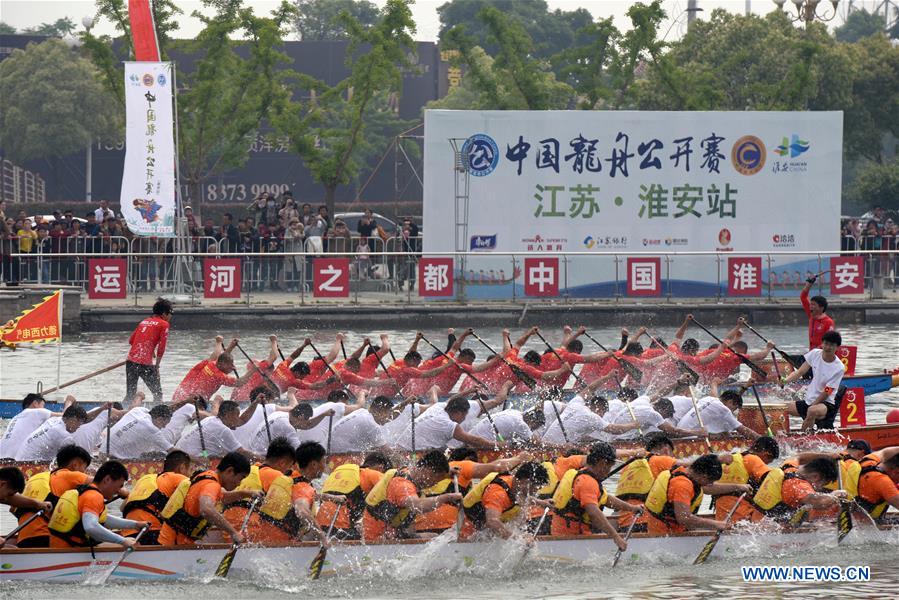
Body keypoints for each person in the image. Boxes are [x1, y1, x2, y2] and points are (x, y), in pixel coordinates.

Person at [550, 443, 641, 550]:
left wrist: (632, 508)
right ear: (603, 463)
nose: (609, 471)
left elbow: (606, 499)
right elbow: (593, 513)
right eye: (610, 467)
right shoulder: (588, 482)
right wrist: (616, 537)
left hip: (561, 535)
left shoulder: (578, 473)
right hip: (572, 539)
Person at [158, 451, 258, 546]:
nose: (239, 483)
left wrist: (247, 494)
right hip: (174, 545)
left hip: (173, 541)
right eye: (241, 478)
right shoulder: (211, 484)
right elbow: (206, 509)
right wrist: (233, 532)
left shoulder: (209, 477)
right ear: (230, 471)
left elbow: (224, 497)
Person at [48, 460, 151, 549]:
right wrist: (122, 541)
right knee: (134, 544)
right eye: (119, 486)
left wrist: (135, 525)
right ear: (107, 480)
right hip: (69, 551)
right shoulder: (94, 496)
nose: (118, 491)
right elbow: (91, 527)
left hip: (60, 547)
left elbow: (103, 519)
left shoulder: (85, 491)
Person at [363, 450, 462, 542]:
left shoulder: (411, 471)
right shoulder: (402, 485)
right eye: (435, 479)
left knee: (435, 537)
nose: (434, 484)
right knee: (435, 539)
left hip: (393, 531)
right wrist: (446, 497)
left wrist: (448, 473)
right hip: (378, 539)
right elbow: (418, 506)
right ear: (427, 470)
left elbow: (436, 474)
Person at [644, 454, 750, 535]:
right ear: (703, 476)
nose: (711, 484)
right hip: (665, 535)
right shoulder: (682, 485)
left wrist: (738, 486)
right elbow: (684, 518)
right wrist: (716, 524)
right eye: (710, 481)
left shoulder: (685, 472)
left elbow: (709, 488)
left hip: (671, 529)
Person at [11, 445, 92, 548]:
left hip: (23, 538)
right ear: (75, 465)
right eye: (84, 468)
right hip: (45, 538)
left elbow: (13, 509)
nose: (84, 472)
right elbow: (101, 483)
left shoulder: (38, 478)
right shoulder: (71, 475)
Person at [223, 438, 300, 545]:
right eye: (289, 466)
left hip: (227, 526)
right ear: (282, 463)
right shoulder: (276, 476)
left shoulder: (250, 469)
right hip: (247, 528)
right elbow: (294, 504)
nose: (289, 470)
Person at [461, 462, 549, 540]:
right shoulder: (498, 493)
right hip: (471, 530)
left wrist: (542, 503)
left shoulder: (516, 484)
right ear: (525, 481)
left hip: (489, 521)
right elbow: (492, 522)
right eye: (535, 487)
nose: (535, 491)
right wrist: (518, 540)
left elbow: (521, 498)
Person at [121, 450, 192, 544]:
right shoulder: (179, 478)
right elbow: (198, 491)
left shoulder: (145, 479)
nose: (190, 474)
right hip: (151, 533)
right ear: (182, 467)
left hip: (127, 534)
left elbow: (122, 508)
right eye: (190, 470)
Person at [316, 452, 392, 540]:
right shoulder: (372, 473)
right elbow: (393, 491)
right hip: (339, 526)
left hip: (319, 526)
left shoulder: (344, 473)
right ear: (381, 468)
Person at [614, 433, 680, 531]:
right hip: (648, 522)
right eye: (672, 454)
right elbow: (691, 469)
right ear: (666, 449)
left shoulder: (629, 466)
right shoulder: (662, 460)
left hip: (624, 523)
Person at [746, 457, 842, 524]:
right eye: (823, 484)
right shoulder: (799, 485)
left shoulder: (788, 467)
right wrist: (835, 495)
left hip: (757, 521)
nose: (821, 488)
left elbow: (799, 456)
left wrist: (827, 456)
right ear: (816, 476)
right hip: (771, 531)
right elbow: (818, 502)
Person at [783, 331, 846, 431]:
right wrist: (785, 381)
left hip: (826, 404)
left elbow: (828, 391)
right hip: (810, 400)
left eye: (831, 345)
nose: (828, 347)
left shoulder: (839, 367)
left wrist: (812, 405)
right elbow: (799, 372)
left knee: (812, 411)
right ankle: (783, 433)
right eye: (826, 344)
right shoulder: (815, 353)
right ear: (822, 344)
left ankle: (804, 436)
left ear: (837, 347)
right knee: (781, 409)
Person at [15, 402, 116, 461]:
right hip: (29, 465)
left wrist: (102, 409)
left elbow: (85, 419)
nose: (80, 426)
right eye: (79, 423)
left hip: (19, 459)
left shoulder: (54, 421)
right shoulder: (64, 436)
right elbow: (73, 462)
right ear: (72, 419)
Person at [394, 396, 502, 450]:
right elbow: (474, 440)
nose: (464, 419)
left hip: (399, 447)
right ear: (458, 413)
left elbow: (451, 399)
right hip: (410, 453)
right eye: (464, 416)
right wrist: (498, 445)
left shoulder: (439, 406)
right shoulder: (448, 424)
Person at [712, 436, 780, 521]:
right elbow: (774, 479)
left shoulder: (734, 458)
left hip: (722, 513)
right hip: (740, 511)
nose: (766, 465)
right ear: (766, 455)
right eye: (769, 462)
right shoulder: (752, 459)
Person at [171, 337, 251, 403]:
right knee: (218, 401)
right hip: (191, 402)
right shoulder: (219, 376)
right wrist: (253, 369)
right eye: (230, 364)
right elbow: (240, 382)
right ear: (221, 364)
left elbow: (219, 357)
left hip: (178, 397)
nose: (233, 367)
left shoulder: (210, 364)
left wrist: (226, 345)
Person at [543, 394, 640, 445]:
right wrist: (633, 425)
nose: (602, 415)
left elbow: (588, 389)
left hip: (545, 442)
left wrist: (607, 376)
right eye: (603, 412)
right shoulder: (592, 417)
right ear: (598, 407)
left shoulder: (576, 405)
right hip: (558, 448)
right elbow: (614, 430)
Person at [289, 441, 333, 545]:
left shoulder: (292, 476)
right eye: (324, 462)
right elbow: (302, 510)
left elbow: (312, 496)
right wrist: (322, 537)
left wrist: (333, 498)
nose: (325, 466)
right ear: (314, 464)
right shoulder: (303, 487)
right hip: (284, 545)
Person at [676, 386, 759, 439]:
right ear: (730, 402)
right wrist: (761, 438)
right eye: (734, 408)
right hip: (688, 438)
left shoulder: (708, 398)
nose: (732, 412)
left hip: (679, 433)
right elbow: (743, 430)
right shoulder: (724, 410)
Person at [329, 395, 396, 454]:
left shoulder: (362, 411)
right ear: (379, 411)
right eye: (388, 413)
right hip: (337, 455)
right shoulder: (371, 424)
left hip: (329, 449)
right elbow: (388, 452)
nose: (389, 417)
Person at [0, 393, 60, 459]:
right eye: (43, 405)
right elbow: (65, 417)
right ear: (35, 403)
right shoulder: (37, 412)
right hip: (15, 459)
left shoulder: (15, 417)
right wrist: (69, 402)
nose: (43, 408)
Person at [108, 404, 175, 459]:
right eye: (164, 424)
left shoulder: (138, 410)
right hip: (114, 459)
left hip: (105, 450)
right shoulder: (152, 430)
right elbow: (172, 451)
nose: (164, 427)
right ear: (159, 419)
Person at [800, 274, 835, 350]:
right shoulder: (811, 315)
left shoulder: (828, 322)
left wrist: (814, 353)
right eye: (810, 304)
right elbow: (803, 297)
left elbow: (829, 342)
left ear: (821, 308)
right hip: (812, 353)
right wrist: (809, 284)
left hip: (822, 355)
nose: (810, 306)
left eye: (813, 305)